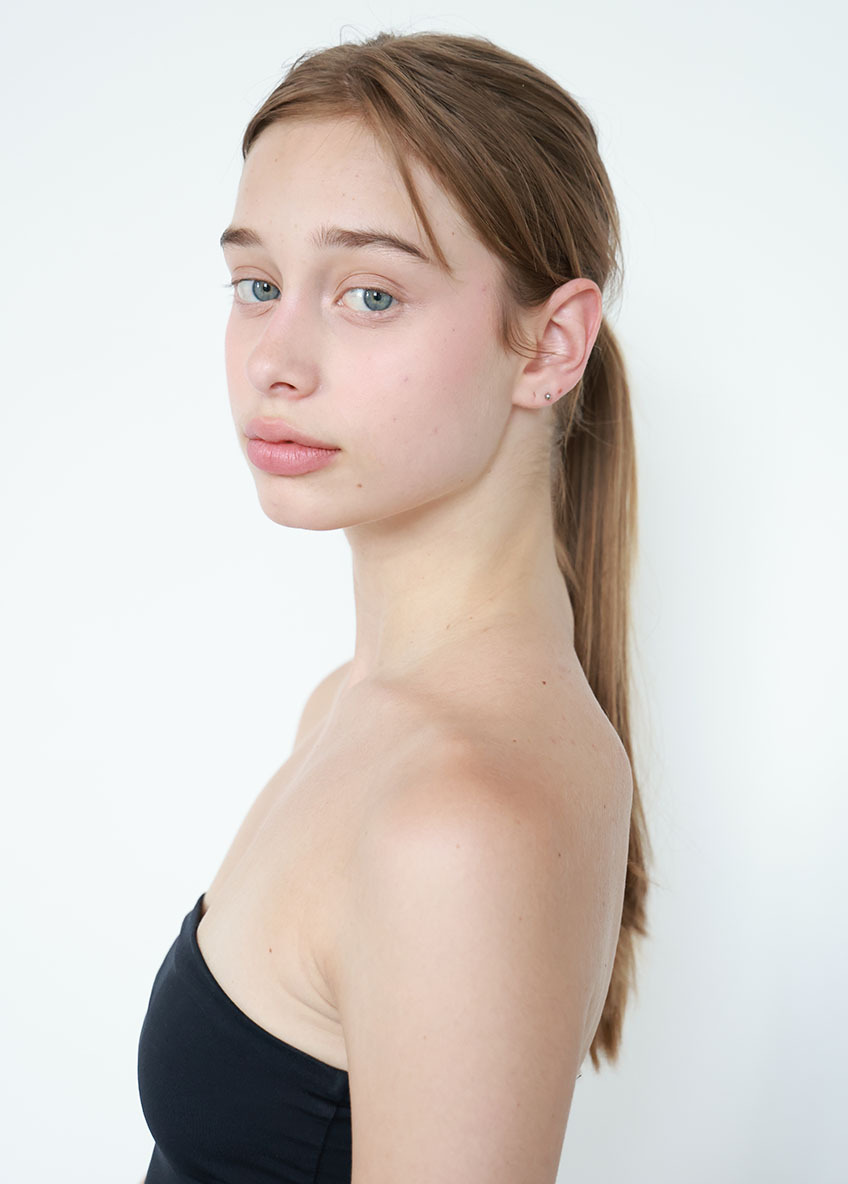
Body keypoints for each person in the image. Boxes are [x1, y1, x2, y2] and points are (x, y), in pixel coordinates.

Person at [136, 28, 651, 1184]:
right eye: (257, 285)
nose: (275, 359)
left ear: (549, 344)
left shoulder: (456, 819)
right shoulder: (350, 704)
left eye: (368, 294)